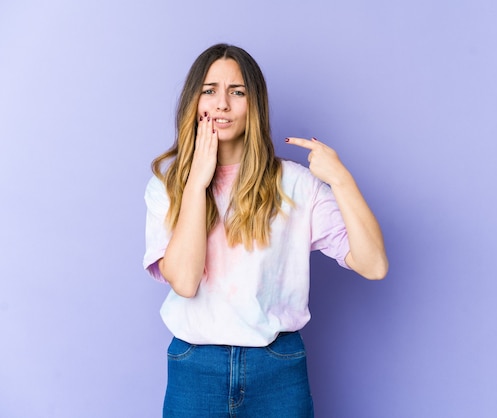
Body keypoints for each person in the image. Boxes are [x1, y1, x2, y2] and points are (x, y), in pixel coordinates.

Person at [143, 43, 388, 417]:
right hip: (195, 368)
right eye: (210, 90)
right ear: (194, 100)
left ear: (254, 104)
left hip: (278, 369)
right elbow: (186, 282)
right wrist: (196, 184)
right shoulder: (167, 185)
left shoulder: (296, 184)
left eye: (237, 92)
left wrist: (341, 179)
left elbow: (374, 265)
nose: (222, 103)